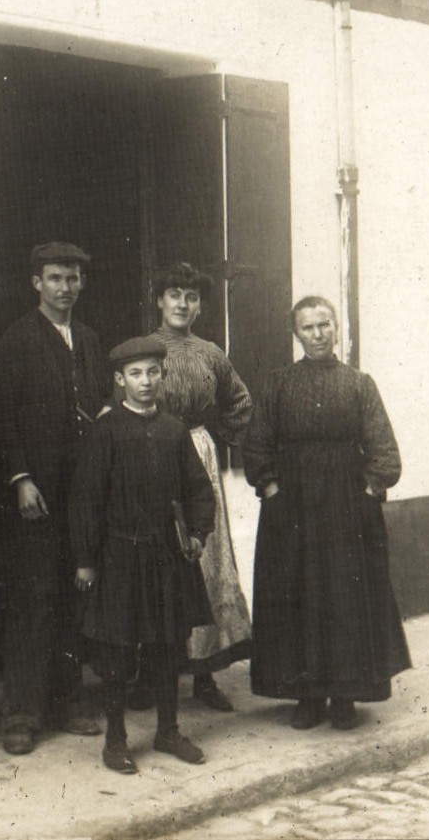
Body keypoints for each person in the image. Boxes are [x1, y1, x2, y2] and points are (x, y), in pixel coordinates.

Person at [242, 296, 411, 730]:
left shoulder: (359, 384)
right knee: (297, 596)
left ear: (336, 328)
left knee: (345, 598)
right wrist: (273, 490)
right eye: (308, 328)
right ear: (296, 334)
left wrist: (369, 491)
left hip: (346, 511)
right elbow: (257, 443)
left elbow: (384, 450)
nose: (317, 335)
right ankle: (307, 697)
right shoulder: (278, 384)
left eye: (324, 325)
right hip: (291, 509)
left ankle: (345, 697)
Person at [69, 336, 216, 774]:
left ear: (163, 376)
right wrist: (85, 558)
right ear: (119, 380)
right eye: (135, 374)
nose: (145, 381)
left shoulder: (173, 431)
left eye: (153, 372)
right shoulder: (106, 431)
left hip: (165, 556)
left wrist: (198, 533)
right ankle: (116, 740)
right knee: (118, 650)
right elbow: (86, 499)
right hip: (118, 557)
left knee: (167, 643)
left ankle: (168, 731)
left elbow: (197, 489)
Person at [0, 241, 111, 755]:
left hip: (79, 492)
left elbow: (102, 400)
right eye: (56, 278)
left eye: (73, 279)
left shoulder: (86, 339)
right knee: (32, 600)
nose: (65, 288)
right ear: (36, 282)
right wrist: (20, 479)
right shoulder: (16, 340)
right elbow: (0, 417)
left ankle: (66, 700)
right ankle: (23, 713)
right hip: (35, 494)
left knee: (72, 596)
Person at [138, 262, 253, 712]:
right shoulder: (143, 350)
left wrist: (215, 434)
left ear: (199, 306)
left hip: (199, 457)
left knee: (203, 559)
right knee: (156, 561)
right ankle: (152, 675)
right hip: (152, 456)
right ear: (159, 301)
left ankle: (205, 674)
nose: (182, 304)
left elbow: (240, 403)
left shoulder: (210, 353)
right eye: (174, 295)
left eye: (191, 297)